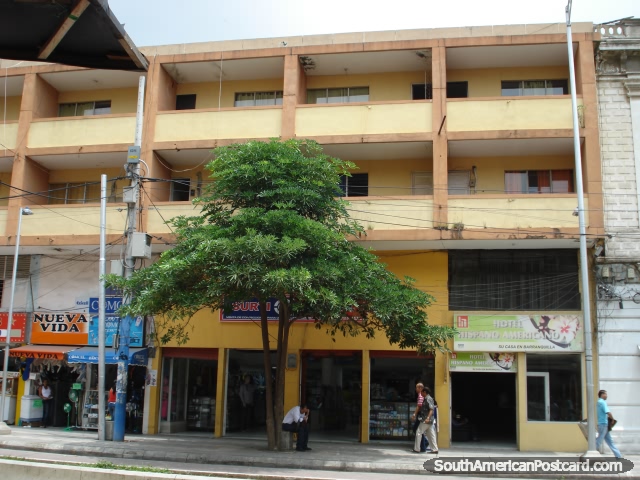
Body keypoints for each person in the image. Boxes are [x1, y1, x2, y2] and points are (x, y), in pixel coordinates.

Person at [596, 390, 622, 458]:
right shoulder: (602, 402)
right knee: (599, 440)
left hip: (603, 424)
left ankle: (618, 456)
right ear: (602, 395)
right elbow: (608, 412)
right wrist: (612, 419)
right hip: (603, 424)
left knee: (610, 441)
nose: (607, 396)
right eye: (605, 394)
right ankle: (591, 453)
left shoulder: (598, 402)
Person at [414, 386, 438, 454]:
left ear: (424, 392)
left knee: (418, 432)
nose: (421, 393)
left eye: (422, 392)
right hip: (428, 420)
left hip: (426, 420)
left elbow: (431, 409)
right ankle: (434, 449)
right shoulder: (426, 398)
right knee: (431, 435)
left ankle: (417, 449)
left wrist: (427, 418)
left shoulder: (428, 399)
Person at [411, 383, 429, 452]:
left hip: (421, 415)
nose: (416, 389)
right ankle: (424, 444)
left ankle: (423, 446)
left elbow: (419, 406)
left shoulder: (421, 395)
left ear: (420, 388)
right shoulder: (422, 395)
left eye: (416, 388)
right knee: (419, 430)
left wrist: (414, 414)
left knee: (416, 429)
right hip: (423, 415)